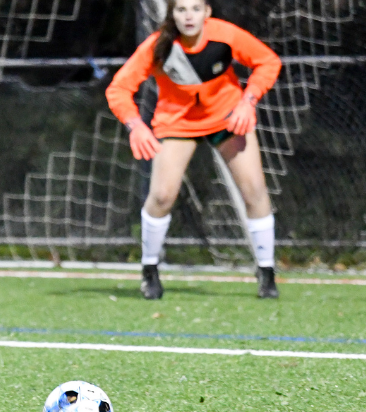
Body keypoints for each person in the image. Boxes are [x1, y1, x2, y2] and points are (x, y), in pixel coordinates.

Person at [105, 0, 282, 300]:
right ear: (171, 14)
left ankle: (266, 272)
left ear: (207, 12)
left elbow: (268, 62)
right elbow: (119, 88)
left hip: (227, 119)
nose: (189, 16)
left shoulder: (225, 36)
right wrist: (136, 125)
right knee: (161, 197)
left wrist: (248, 101)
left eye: (196, 9)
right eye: (181, 10)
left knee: (254, 191)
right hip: (177, 125)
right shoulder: (158, 45)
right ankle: (150, 270)